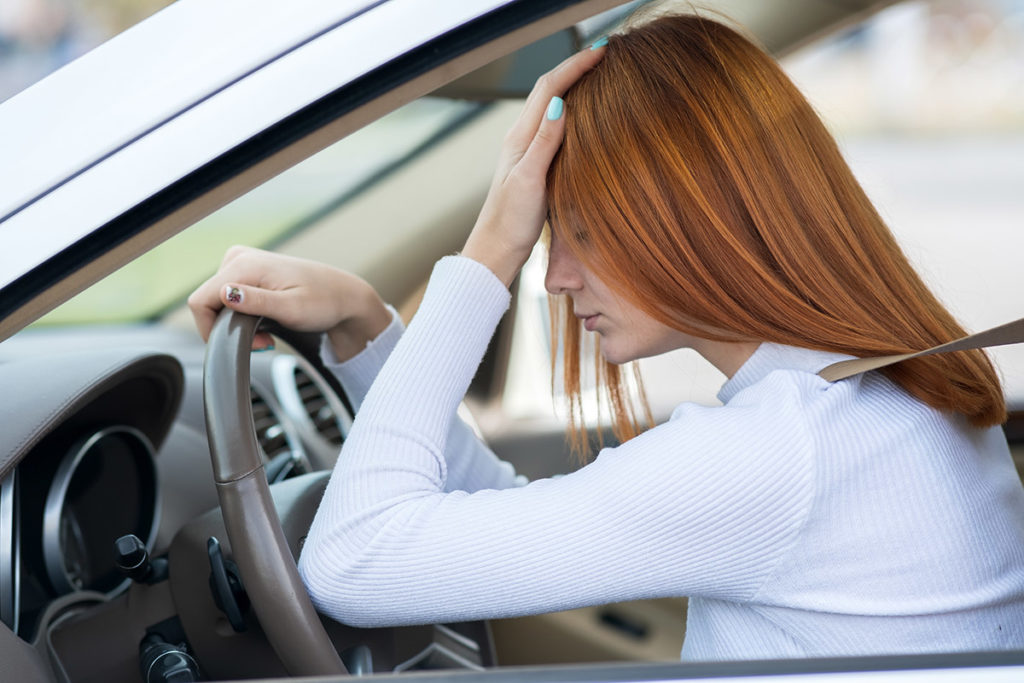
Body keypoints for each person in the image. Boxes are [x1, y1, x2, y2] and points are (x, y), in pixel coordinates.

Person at [189, 12, 1024, 661]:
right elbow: (509, 516)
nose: (551, 278)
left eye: (579, 232)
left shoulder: (776, 456)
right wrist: (366, 322)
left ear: (694, 217)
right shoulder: (877, 398)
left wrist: (488, 252)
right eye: (546, 242)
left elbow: (351, 560)